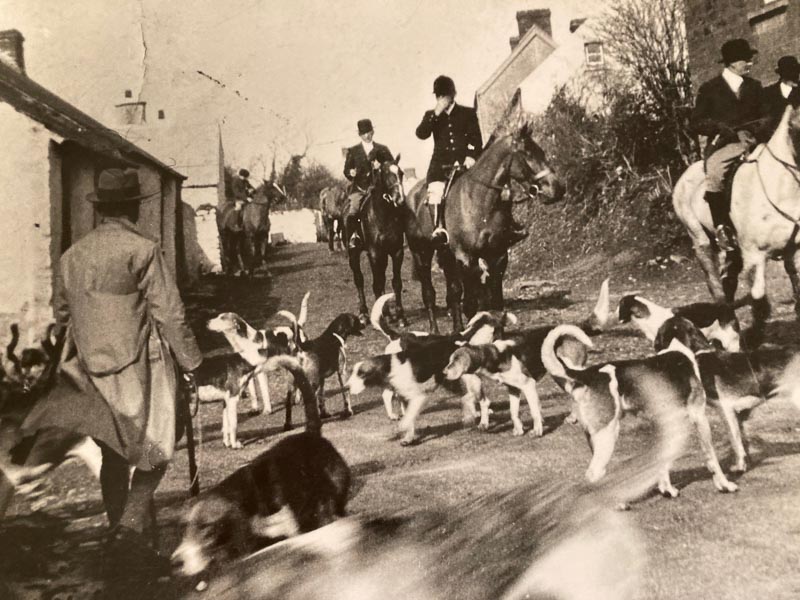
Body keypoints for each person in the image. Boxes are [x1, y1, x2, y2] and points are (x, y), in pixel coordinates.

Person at [23, 168, 203, 581]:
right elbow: (170, 314)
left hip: (89, 374)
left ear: (103, 211)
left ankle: (127, 544)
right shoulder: (141, 250)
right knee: (157, 451)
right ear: (132, 209)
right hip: (138, 370)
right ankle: (126, 535)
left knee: (113, 457)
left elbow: (62, 315)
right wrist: (193, 361)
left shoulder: (71, 256)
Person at [690, 38, 766, 251]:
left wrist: (756, 130)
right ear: (732, 62)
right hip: (724, 144)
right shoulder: (709, 89)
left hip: (752, 141)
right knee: (715, 173)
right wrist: (720, 127)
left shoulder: (755, 86)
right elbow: (696, 122)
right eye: (746, 60)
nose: (750, 64)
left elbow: (766, 116)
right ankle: (722, 225)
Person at [415, 75, 483, 245]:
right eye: (438, 95)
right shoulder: (431, 115)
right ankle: (439, 229)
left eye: (444, 95)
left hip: (464, 165)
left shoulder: (467, 113)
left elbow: (476, 140)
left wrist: (470, 155)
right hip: (440, 167)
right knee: (436, 193)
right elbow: (421, 134)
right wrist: (435, 114)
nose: (441, 99)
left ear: (453, 94)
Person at [342, 118, 394, 249]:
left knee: (396, 204)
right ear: (359, 135)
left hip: (380, 188)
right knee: (353, 208)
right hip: (360, 189)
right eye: (364, 133)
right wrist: (350, 173)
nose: (367, 135)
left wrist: (381, 165)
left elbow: (392, 166)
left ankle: (400, 235)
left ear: (373, 132)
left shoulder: (382, 149)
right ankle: (354, 237)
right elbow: (346, 170)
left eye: (369, 132)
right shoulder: (353, 151)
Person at [761, 55, 800, 135]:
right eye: (790, 73)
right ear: (781, 74)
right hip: (774, 137)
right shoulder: (768, 92)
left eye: (797, 72)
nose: (795, 75)